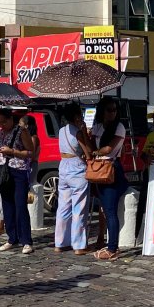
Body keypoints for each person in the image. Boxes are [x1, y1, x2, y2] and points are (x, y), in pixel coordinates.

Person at [90, 98, 128, 261]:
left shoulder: (118, 127)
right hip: (99, 170)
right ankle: (102, 240)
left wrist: (95, 152)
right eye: (109, 110)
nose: (112, 113)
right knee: (104, 208)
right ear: (102, 111)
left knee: (110, 211)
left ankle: (113, 247)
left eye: (114, 110)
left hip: (111, 169)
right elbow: (91, 144)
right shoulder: (97, 127)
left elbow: (109, 148)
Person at [0, 108, 36, 255]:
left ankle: (26, 240)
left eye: (4, 122)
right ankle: (12, 238)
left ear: (11, 119)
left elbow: (30, 151)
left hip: (19, 171)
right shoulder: (1, 132)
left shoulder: (21, 131)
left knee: (20, 206)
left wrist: (12, 152)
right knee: (7, 205)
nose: (2, 125)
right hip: (4, 170)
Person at [55, 102, 95, 256]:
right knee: (79, 208)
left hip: (63, 166)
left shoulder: (61, 131)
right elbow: (89, 152)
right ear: (77, 116)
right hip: (77, 168)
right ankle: (78, 245)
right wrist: (84, 131)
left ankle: (60, 243)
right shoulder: (77, 132)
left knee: (63, 207)